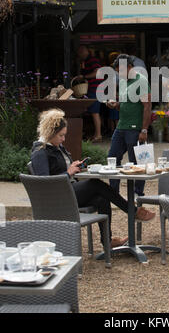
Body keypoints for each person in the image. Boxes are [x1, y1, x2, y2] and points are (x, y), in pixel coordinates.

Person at [31, 109, 155, 249]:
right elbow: (43, 184)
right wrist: (68, 173)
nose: (63, 139)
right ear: (50, 132)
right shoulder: (40, 152)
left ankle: (107, 242)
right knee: (95, 184)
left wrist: (73, 167)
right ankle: (132, 211)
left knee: (102, 198)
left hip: (68, 191)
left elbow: (58, 170)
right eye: (61, 135)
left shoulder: (55, 147)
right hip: (58, 197)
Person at [106, 54, 151, 197]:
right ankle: (114, 193)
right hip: (121, 126)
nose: (119, 74)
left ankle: (137, 193)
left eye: (121, 71)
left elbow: (147, 106)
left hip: (135, 128)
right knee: (112, 157)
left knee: (136, 161)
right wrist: (115, 105)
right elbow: (125, 103)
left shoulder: (141, 81)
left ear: (130, 67)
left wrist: (144, 129)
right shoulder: (124, 82)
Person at [77, 45, 103, 143]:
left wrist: (84, 76)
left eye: (80, 53)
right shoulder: (85, 61)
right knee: (93, 111)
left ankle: (98, 135)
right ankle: (97, 134)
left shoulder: (92, 60)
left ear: (84, 51)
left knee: (94, 111)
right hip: (92, 88)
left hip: (95, 88)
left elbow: (97, 72)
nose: (79, 55)